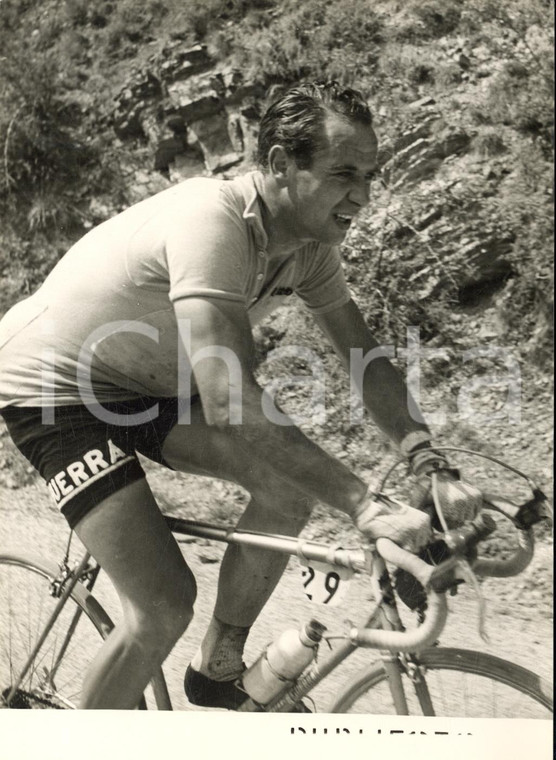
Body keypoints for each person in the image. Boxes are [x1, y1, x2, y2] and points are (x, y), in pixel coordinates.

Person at [0, 81, 481, 710]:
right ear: (281, 164)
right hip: (54, 388)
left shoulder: (310, 248)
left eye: (369, 174)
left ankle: (217, 667)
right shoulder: (212, 221)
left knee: (286, 492)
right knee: (163, 604)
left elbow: (365, 360)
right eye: (343, 174)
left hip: (148, 385)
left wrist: (427, 459)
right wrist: (365, 504)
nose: (362, 195)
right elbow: (230, 396)